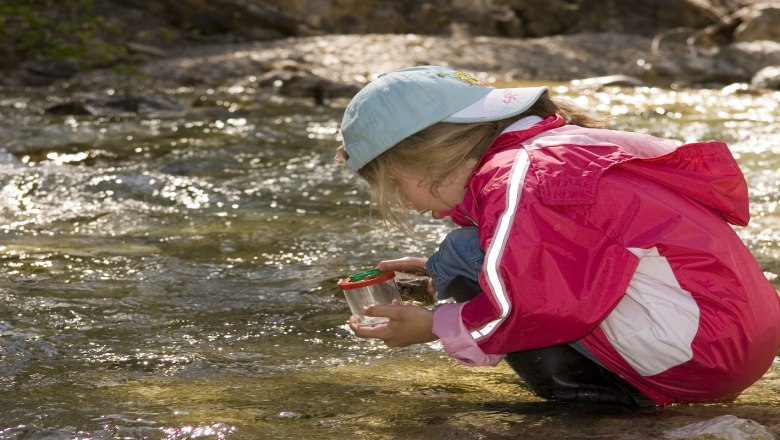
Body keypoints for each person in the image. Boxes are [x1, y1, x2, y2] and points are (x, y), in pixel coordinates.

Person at [334, 65, 780, 406]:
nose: (408, 204)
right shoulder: (563, 146)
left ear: (430, 155)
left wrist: (435, 325)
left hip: (690, 356)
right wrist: (435, 277)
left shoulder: (520, 176)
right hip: (734, 339)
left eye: (396, 186)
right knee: (468, 253)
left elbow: (541, 303)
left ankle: (593, 408)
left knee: (464, 250)